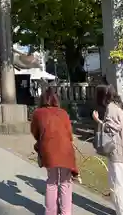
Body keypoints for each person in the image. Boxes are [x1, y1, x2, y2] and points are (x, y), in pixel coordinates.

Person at [30, 87, 79, 215]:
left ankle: (50, 212)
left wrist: (42, 140)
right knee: (65, 182)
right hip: (65, 149)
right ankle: (65, 212)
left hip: (48, 149)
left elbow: (35, 132)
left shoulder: (38, 113)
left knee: (52, 181)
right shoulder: (63, 113)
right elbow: (69, 132)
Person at [92, 84, 123, 215]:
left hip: (120, 153)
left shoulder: (111, 108)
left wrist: (98, 121)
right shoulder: (118, 105)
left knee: (118, 185)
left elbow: (111, 129)